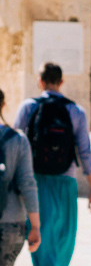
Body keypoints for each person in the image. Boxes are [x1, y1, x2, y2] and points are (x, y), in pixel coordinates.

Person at [13, 63, 91, 266]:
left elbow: (14, 145)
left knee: (41, 236)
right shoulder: (76, 111)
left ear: (40, 81)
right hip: (66, 181)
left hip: (37, 182)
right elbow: (84, 152)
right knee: (64, 239)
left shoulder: (28, 107)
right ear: (62, 82)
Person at [0, 89, 41, 266]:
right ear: (3, 105)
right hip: (11, 221)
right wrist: (36, 226)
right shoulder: (18, 139)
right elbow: (27, 184)